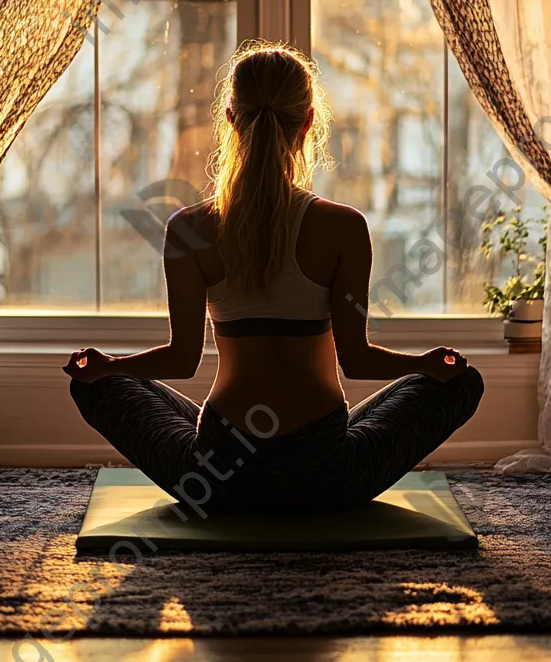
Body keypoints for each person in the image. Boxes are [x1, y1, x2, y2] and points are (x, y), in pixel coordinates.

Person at [65, 42, 483, 515]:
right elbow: (357, 361)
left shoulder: (188, 228)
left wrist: (108, 366)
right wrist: (426, 363)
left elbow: (181, 360)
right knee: (462, 382)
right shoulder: (344, 225)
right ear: (307, 122)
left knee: (97, 383)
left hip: (216, 478)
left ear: (230, 118)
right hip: (326, 476)